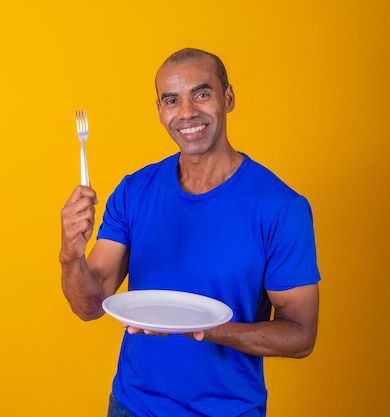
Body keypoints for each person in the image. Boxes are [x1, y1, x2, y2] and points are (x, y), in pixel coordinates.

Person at [59, 47, 320, 417]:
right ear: (160, 111)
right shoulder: (135, 190)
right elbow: (89, 305)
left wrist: (208, 330)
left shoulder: (280, 207)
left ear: (227, 98)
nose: (186, 113)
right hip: (132, 406)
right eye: (171, 100)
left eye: (201, 94)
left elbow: (300, 335)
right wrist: (70, 255)